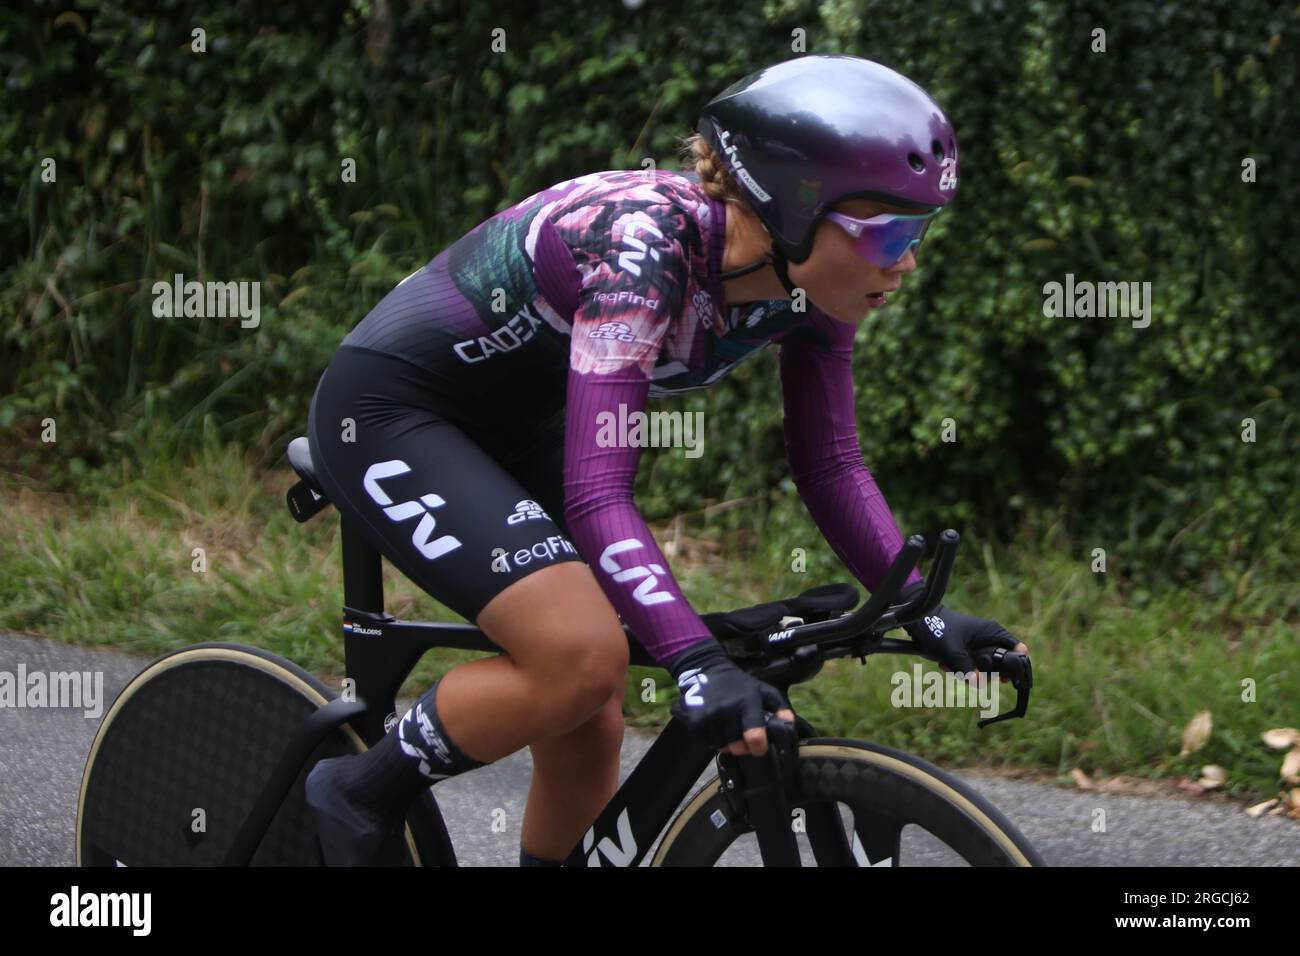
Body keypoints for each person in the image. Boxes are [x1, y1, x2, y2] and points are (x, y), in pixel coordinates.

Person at [302, 53, 1029, 867]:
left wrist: (918, 608)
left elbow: (829, 465)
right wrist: (697, 666)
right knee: (578, 656)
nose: (906, 262)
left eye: (920, 230)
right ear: (791, 210)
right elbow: (596, 493)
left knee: (590, 715)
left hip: (525, 421)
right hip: (395, 413)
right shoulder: (643, 253)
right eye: (889, 232)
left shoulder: (812, 286)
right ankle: (358, 790)